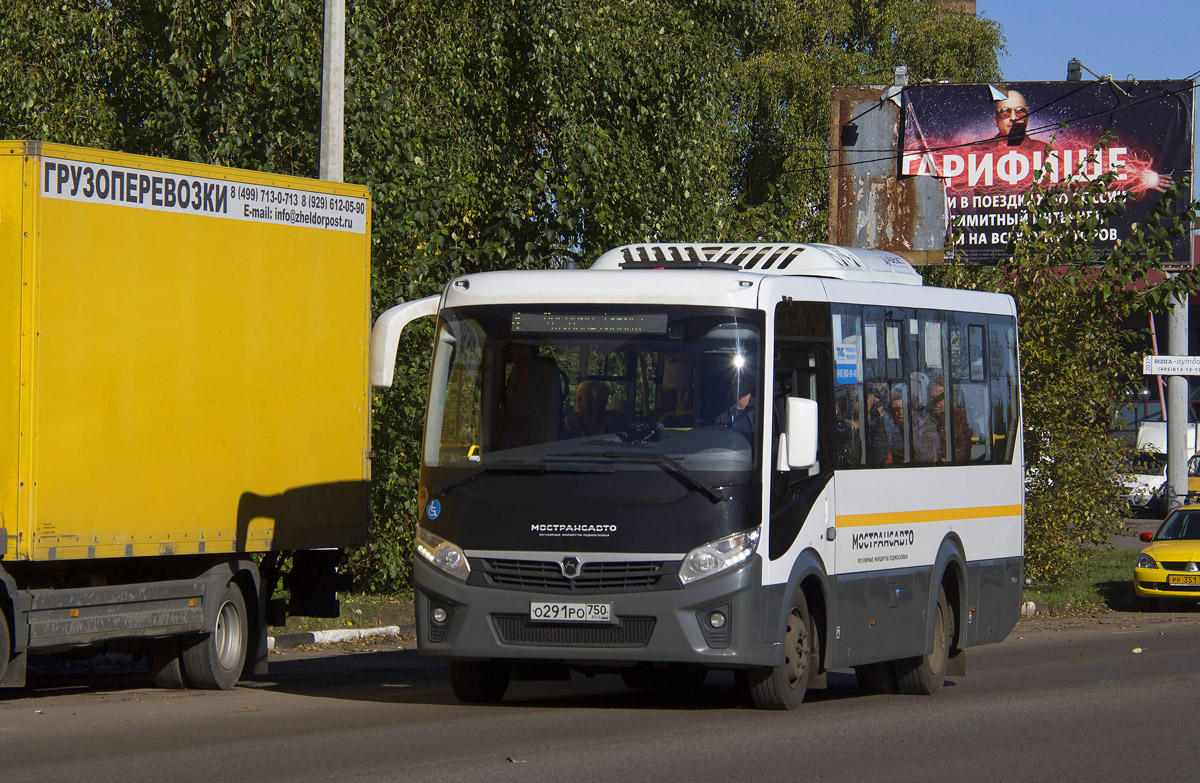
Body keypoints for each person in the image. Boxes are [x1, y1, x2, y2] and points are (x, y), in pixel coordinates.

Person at [717, 371, 757, 435]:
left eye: (743, 379)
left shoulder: (762, 411)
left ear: (752, 383)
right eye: (734, 378)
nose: (738, 383)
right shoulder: (722, 417)